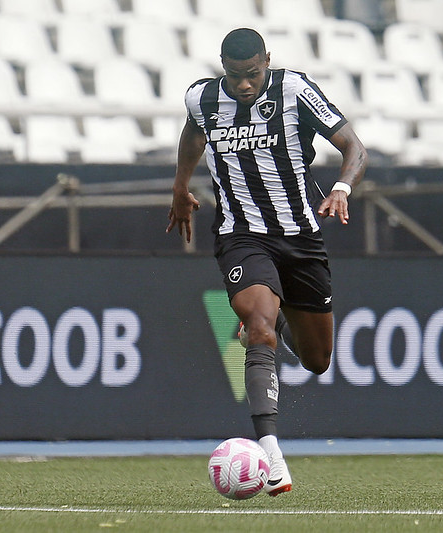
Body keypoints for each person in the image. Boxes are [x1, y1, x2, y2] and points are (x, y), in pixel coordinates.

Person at [166, 28, 368, 495]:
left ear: (267, 62)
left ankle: (272, 326)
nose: (243, 86)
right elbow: (194, 134)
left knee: (317, 359)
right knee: (258, 324)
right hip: (241, 236)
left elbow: (354, 147)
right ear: (222, 67)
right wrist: (180, 186)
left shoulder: (295, 89)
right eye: (234, 76)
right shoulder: (201, 97)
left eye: (252, 75)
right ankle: (272, 454)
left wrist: (342, 187)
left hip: (301, 237)